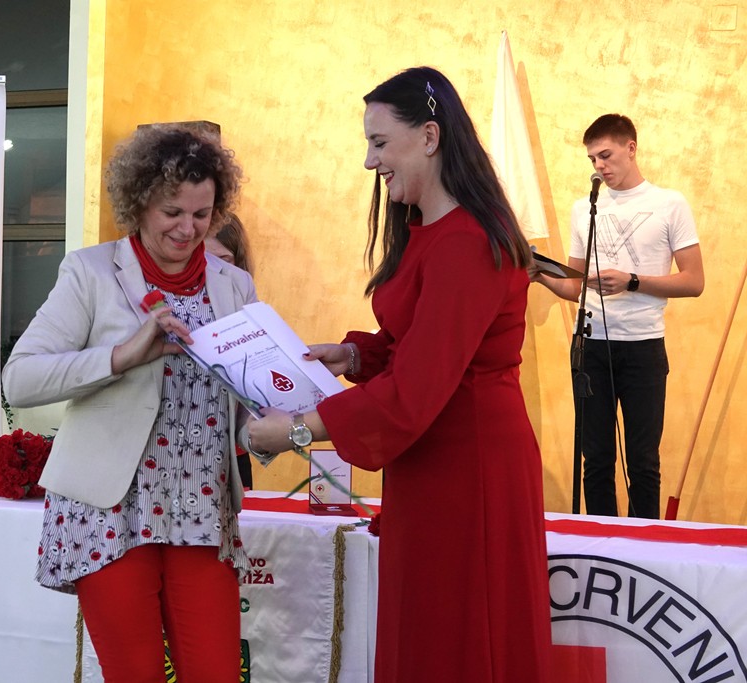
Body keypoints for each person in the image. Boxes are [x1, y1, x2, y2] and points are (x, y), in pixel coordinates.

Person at [247, 66, 551, 682]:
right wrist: (360, 357)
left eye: (380, 142)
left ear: (430, 137)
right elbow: (423, 348)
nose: (369, 161)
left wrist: (298, 431)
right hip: (433, 458)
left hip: (468, 468)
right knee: (430, 627)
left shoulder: (465, 242)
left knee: (459, 633)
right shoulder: (429, 232)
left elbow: (418, 388)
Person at [2, 124, 254, 682]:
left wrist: (279, 411)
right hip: (108, 511)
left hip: (202, 511)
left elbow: (242, 399)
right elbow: (20, 379)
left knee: (216, 674)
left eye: (202, 213)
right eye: (172, 212)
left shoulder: (234, 285)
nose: (188, 228)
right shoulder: (90, 272)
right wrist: (121, 356)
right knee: (134, 674)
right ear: (138, 203)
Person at [530, 114, 704, 518]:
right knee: (595, 460)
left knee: (643, 462)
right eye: (592, 159)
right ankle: (602, 541)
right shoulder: (585, 209)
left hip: (643, 348)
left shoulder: (669, 204)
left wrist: (633, 281)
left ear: (631, 148)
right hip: (591, 348)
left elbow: (694, 281)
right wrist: (539, 274)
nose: (599, 166)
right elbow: (575, 287)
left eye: (605, 155)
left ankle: (643, 544)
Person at [205, 213, 255, 489]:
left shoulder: (248, 310)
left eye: (223, 261)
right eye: (204, 259)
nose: (214, 271)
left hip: (232, 453)